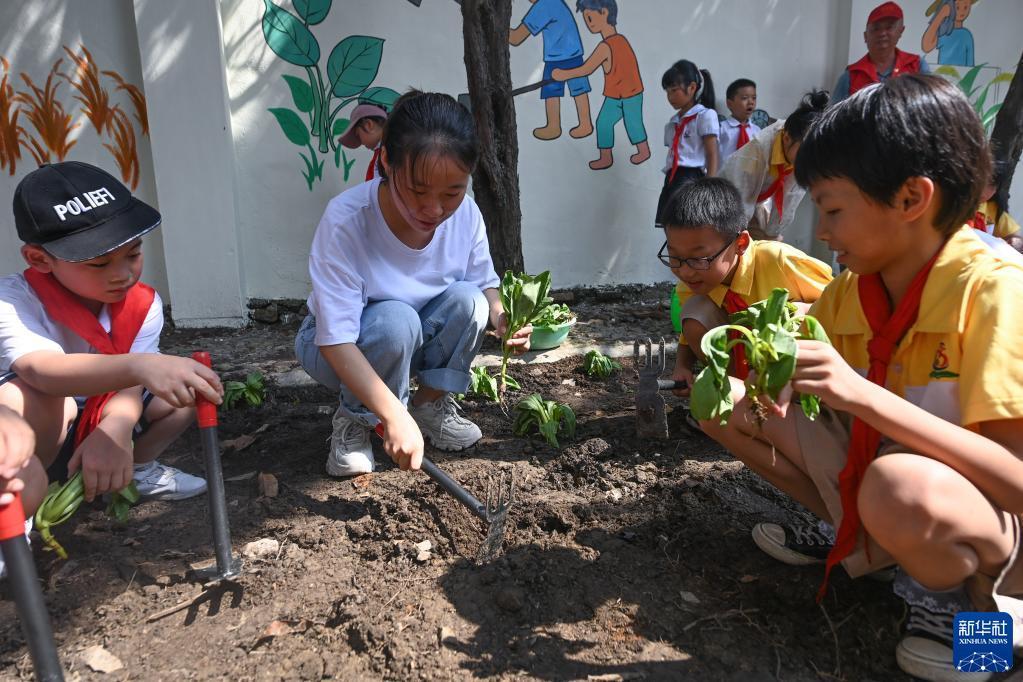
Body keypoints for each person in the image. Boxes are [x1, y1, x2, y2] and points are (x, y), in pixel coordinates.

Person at [699, 74, 1023, 682]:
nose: (822, 232)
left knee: (899, 488)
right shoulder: (852, 289)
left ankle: (985, 632)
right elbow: (791, 384)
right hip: (905, 492)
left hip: (996, 530)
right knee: (728, 406)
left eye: (833, 209)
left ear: (910, 200)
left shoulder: (994, 290)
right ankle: (869, 550)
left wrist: (860, 395)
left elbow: (1017, 484)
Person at [294, 91, 532, 477]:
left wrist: (503, 318)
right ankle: (356, 421)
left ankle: (428, 407)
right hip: (335, 346)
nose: (435, 210)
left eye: (452, 192)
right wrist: (391, 414)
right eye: (419, 191)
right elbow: (335, 338)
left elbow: (483, 282)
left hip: (412, 337)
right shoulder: (347, 220)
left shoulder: (466, 215)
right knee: (395, 320)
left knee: (472, 303)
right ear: (386, 160)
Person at [0, 161, 222, 513]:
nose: (122, 275)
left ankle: (134, 469)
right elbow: (42, 370)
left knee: (188, 388)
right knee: (29, 399)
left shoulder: (142, 304)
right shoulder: (12, 300)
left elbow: (129, 388)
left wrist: (116, 431)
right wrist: (141, 365)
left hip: (103, 409)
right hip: (38, 433)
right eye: (98, 264)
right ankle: (24, 497)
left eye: (133, 254)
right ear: (39, 259)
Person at [660, 177, 832, 396]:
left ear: (740, 244)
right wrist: (682, 367)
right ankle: (740, 394)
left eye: (698, 258)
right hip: (750, 365)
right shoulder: (694, 280)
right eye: (675, 257)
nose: (685, 271)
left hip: (802, 364)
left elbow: (839, 301)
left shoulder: (778, 260)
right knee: (695, 314)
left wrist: (801, 311)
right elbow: (687, 335)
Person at [551, 0, 649, 170]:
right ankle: (606, 157)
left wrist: (563, 74)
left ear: (604, 12)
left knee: (633, 122)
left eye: (589, 18)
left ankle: (643, 150)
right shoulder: (619, 40)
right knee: (603, 122)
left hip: (630, 94)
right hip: (615, 95)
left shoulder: (607, 46)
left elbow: (586, 69)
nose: (588, 24)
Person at [719, 91, 829, 241]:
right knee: (735, 242)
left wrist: (772, 235)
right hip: (727, 201)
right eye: (806, 151)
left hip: (755, 201)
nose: (810, 159)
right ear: (787, 138)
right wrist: (739, 238)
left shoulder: (801, 158)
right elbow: (740, 198)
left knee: (774, 243)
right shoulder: (758, 149)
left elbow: (790, 199)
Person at [509, 0, 593, 141]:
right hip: (571, 52)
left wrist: (493, 23)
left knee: (556, 91)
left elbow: (516, 38)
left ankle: (558, 126)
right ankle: (580, 124)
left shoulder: (544, 5)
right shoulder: (553, 2)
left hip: (558, 56)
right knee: (575, 89)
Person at [653, 59, 718, 228]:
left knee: (688, 229)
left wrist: (709, 186)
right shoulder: (673, 122)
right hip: (672, 179)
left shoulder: (705, 115)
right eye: (667, 92)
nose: (670, 96)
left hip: (691, 179)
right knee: (670, 227)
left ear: (692, 88)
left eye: (674, 90)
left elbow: (712, 153)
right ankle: (673, 254)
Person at [831, 1, 929, 104]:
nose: (882, 33)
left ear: (901, 31)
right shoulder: (850, 76)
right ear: (865, 36)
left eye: (889, 27)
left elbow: (932, 111)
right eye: (876, 28)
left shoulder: (918, 66)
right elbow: (833, 117)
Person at [340, 104, 388, 182]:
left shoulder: (390, 151)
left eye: (358, 135)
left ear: (368, 125)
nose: (361, 143)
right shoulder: (381, 151)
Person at [718, 78, 760, 166]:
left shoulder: (757, 131)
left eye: (754, 98)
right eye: (745, 98)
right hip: (724, 177)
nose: (751, 102)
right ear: (730, 104)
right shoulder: (721, 129)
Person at [922, 0, 976, 67]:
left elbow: (970, 64)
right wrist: (941, 14)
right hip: (942, 74)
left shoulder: (967, 35)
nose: (962, 11)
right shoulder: (945, 32)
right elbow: (926, 46)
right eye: (957, 7)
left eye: (966, 7)